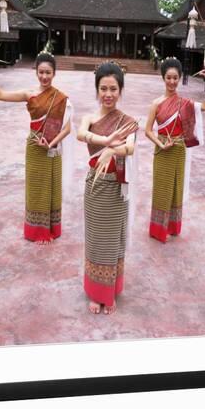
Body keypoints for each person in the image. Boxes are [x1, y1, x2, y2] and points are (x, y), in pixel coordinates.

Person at [0, 50, 72, 244]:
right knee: (36, 188)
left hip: (52, 146)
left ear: (54, 73)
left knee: (52, 186)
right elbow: (0, 95)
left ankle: (51, 229)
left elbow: (68, 127)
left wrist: (51, 142)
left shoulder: (61, 98)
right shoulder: (29, 94)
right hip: (34, 147)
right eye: (41, 72)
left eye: (48, 72)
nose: (44, 76)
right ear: (36, 72)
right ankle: (38, 232)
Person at [77, 62, 139, 315]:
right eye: (103, 88)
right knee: (95, 241)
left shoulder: (128, 121)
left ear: (121, 90)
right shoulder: (89, 118)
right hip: (95, 187)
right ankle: (95, 293)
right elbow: (81, 134)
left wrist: (113, 149)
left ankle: (109, 291)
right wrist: (104, 140)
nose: (108, 94)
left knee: (113, 242)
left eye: (113, 88)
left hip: (116, 189)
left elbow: (131, 147)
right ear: (97, 90)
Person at [145, 56, 205, 243]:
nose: (172, 82)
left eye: (176, 77)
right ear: (163, 77)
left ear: (179, 78)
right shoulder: (156, 104)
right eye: (169, 77)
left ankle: (173, 227)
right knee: (161, 189)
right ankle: (158, 229)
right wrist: (160, 144)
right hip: (162, 151)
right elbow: (148, 130)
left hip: (179, 150)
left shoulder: (185, 104)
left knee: (176, 188)